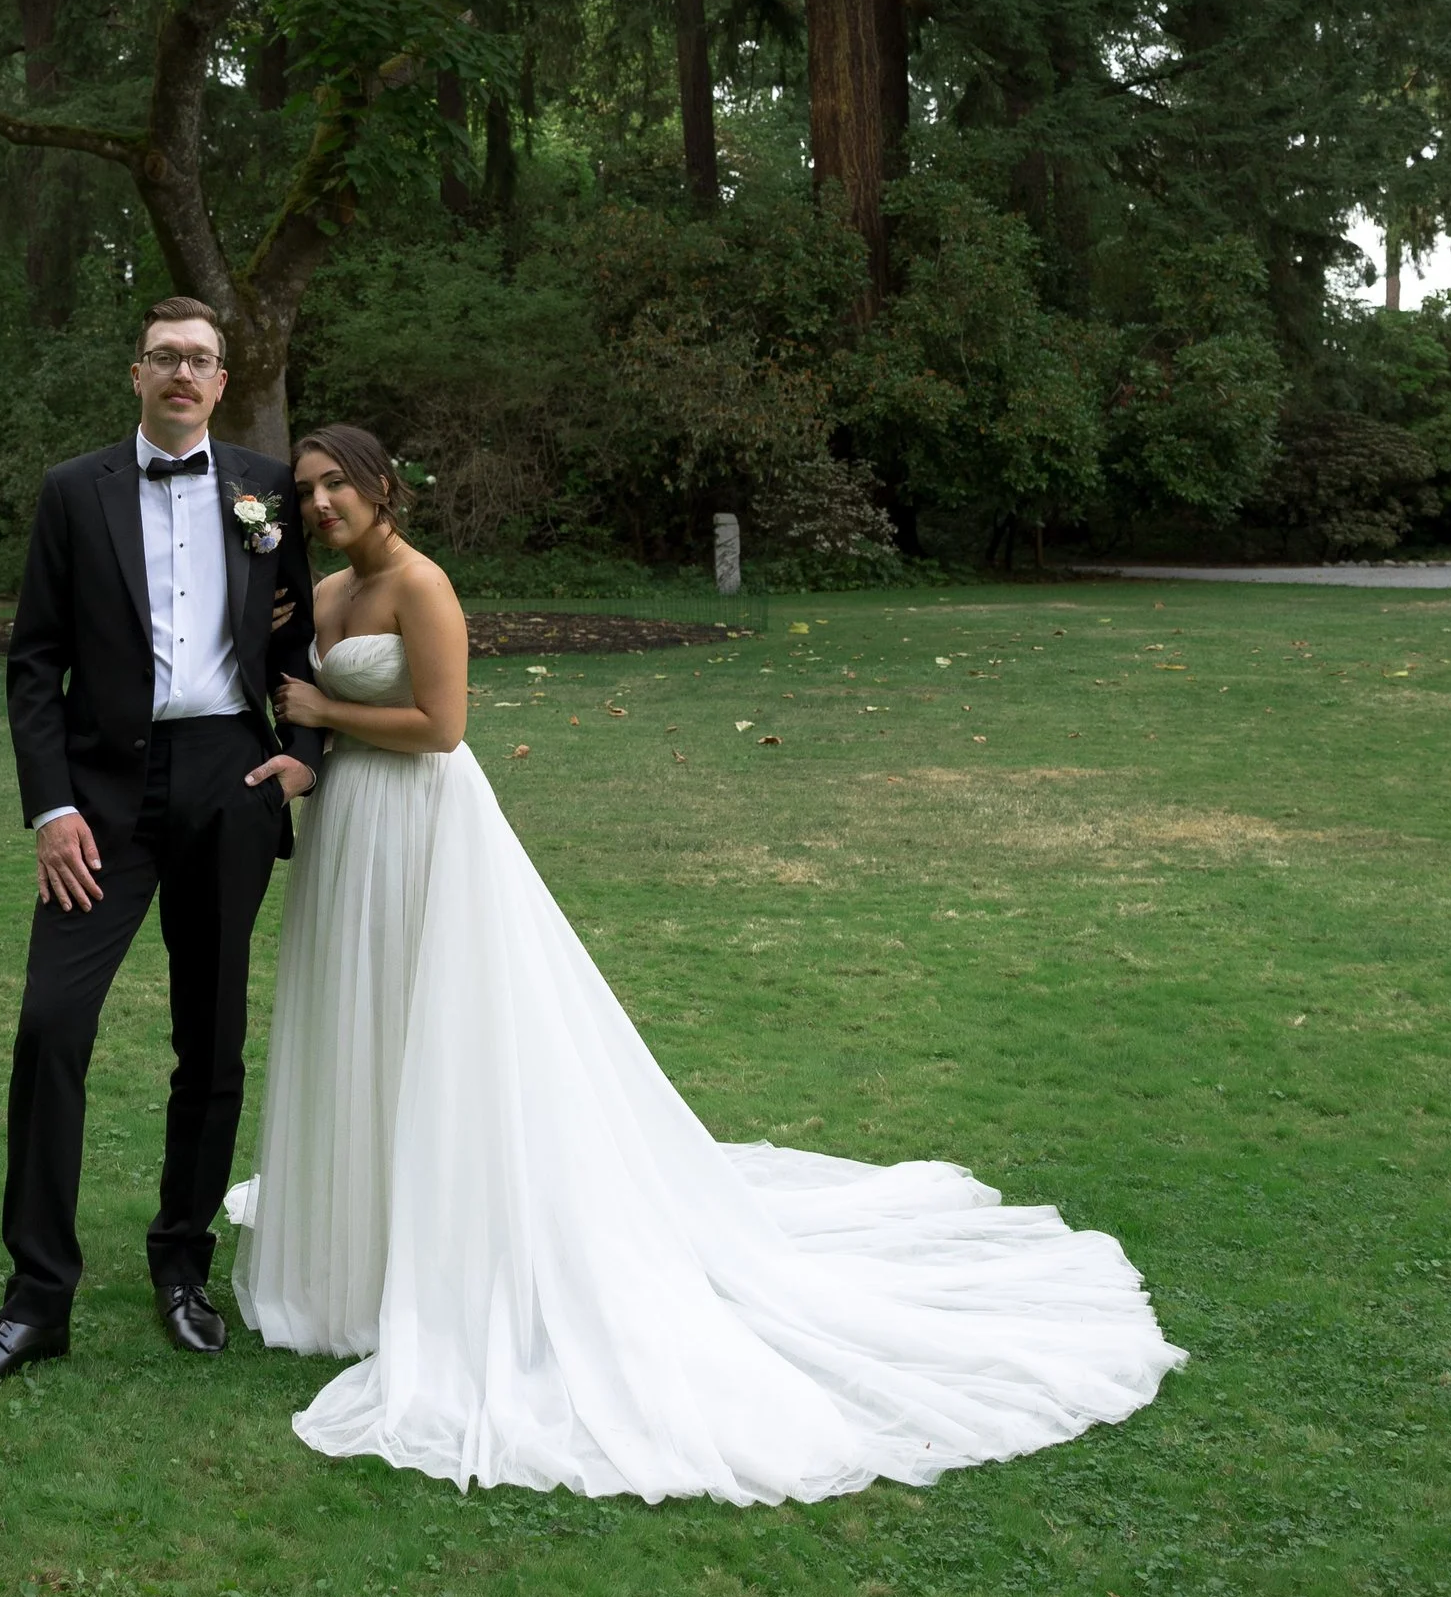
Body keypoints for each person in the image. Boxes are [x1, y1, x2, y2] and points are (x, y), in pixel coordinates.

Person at [226, 423, 1186, 1505]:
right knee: (365, 1028)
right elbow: (307, 704)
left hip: (423, 827)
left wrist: (325, 709)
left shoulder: (418, 585)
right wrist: (303, 738)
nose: (318, 505)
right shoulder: (327, 594)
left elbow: (442, 728)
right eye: (304, 493)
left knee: (438, 1028)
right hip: (352, 827)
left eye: (335, 487)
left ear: (381, 487)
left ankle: (457, 1242)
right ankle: (368, 1245)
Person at [0, 297, 324, 1392]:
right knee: (51, 1025)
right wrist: (50, 808)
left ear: (221, 376)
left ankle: (182, 1269)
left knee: (211, 1039)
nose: (182, 375)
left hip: (230, 783)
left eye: (200, 360)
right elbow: (31, 662)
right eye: (164, 358)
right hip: (100, 798)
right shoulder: (73, 491)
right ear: (135, 373)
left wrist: (307, 755)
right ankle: (35, 1299)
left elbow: (315, 634)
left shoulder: (267, 489)